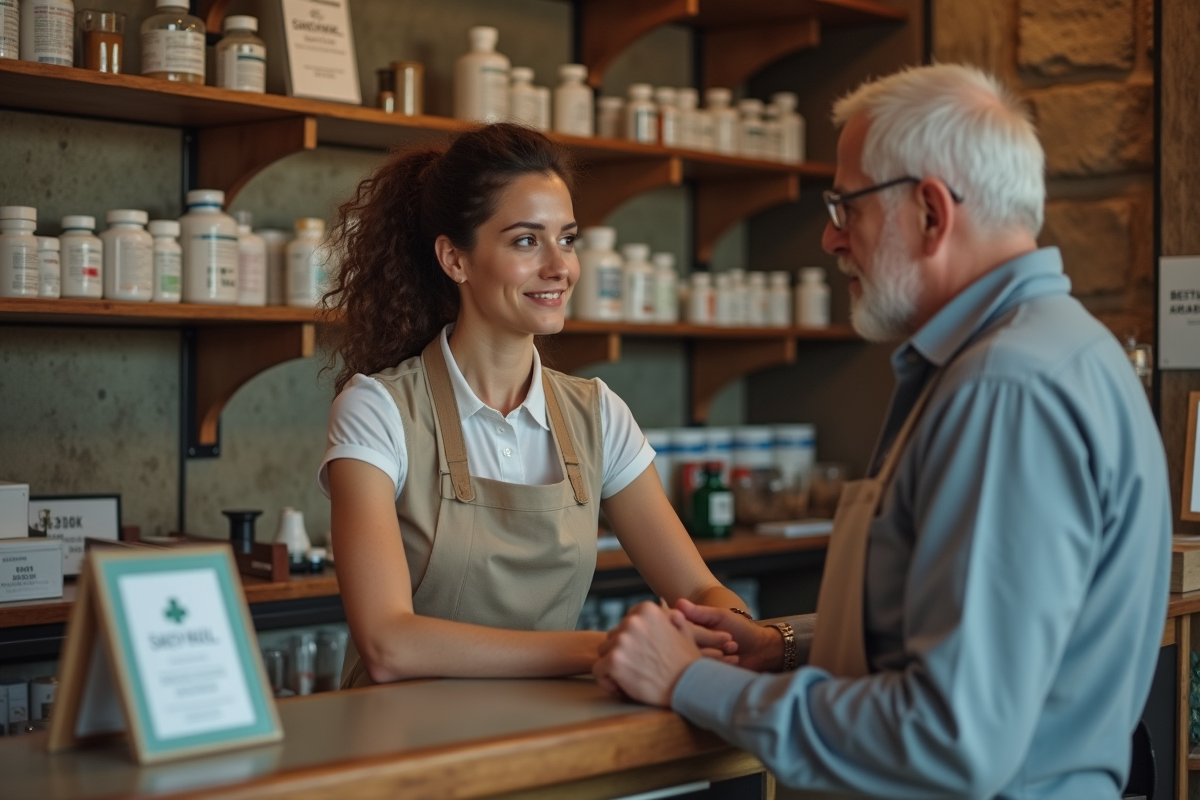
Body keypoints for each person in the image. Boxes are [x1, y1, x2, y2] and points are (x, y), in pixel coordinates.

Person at [593, 64, 1171, 799]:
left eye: (846, 207)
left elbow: (949, 737)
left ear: (931, 212)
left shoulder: (1004, 389)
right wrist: (782, 645)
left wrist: (691, 681)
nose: (831, 239)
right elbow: (953, 624)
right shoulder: (1063, 350)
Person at [318, 123, 745, 687]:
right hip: (405, 735)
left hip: (550, 728)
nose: (559, 267)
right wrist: (603, 648)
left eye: (567, 239)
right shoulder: (378, 410)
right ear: (455, 259)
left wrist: (735, 631)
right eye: (526, 241)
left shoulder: (597, 414)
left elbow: (698, 589)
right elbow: (388, 643)